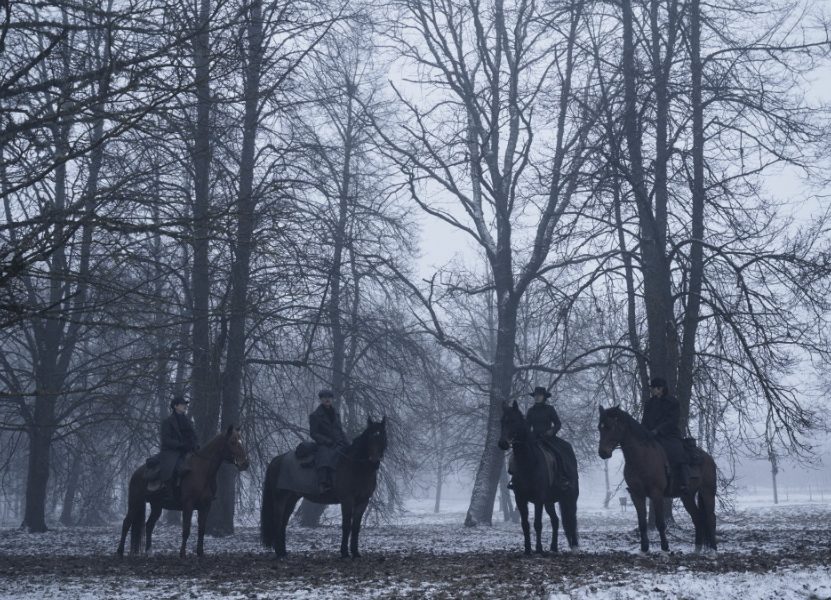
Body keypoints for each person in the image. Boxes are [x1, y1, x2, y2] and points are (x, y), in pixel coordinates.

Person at [524, 386, 577, 491]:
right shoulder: (530, 411)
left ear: (544, 397)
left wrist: (552, 431)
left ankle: (565, 477)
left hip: (548, 439)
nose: (537, 397)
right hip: (534, 439)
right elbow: (527, 426)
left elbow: (558, 423)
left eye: (539, 395)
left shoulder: (550, 409)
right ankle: (517, 479)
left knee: (562, 451)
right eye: (535, 395)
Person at [641, 377, 689, 491]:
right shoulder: (649, 403)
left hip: (668, 435)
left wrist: (657, 430)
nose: (651, 390)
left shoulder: (673, 403)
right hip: (651, 435)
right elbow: (645, 420)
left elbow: (671, 421)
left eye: (653, 388)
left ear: (660, 389)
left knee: (677, 452)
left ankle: (683, 480)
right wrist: (643, 431)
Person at [309, 389, 350, 495]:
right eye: (324, 397)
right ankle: (322, 483)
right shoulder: (315, 415)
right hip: (325, 444)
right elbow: (313, 433)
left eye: (329, 397)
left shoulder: (336, 414)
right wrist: (326, 441)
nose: (327, 399)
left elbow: (340, 430)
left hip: (339, 443)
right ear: (321, 399)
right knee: (325, 457)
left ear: (332, 399)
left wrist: (347, 443)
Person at [159, 396, 200, 489]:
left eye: (186, 404)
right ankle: (168, 493)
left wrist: (196, 445)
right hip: (173, 452)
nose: (185, 406)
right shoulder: (168, 421)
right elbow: (165, 439)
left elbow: (194, 436)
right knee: (172, 468)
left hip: (189, 450)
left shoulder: (189, 421)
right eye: (182, 404)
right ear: (175, 406)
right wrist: (180, 445)